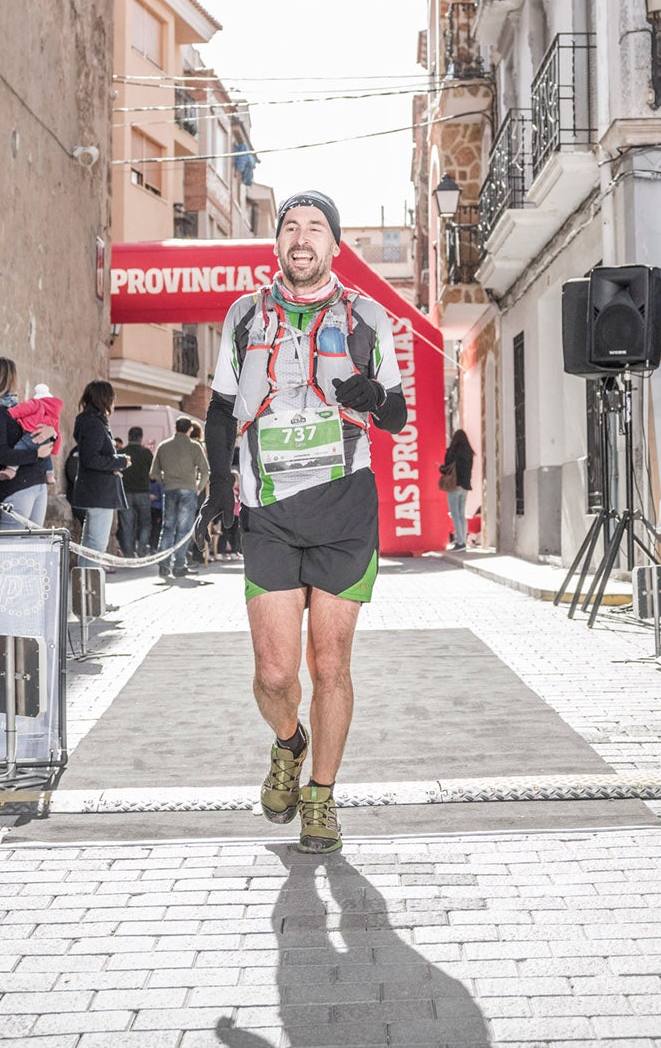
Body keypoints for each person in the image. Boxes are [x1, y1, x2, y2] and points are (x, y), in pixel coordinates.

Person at [206, 191, 407, 853]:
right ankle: (289, 741)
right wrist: (216, 488)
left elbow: (397, 413)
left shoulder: (367, 314)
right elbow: (221, 407)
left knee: (331, 661)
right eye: (290, 226)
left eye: (315, 227)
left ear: (334, 246)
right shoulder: (243, 315)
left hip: (344, 507)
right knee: (273, 673)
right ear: (277, 245)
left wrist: (371, 396)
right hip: (267, 512)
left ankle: (320, 796)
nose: (301, 236)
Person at [0, 357, 55, 529]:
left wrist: (51, 433)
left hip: (35, 482)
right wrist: (36, 454)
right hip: (16, 486)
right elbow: (0, 453)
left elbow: (35, 433)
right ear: (9, 378)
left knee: (33, 547)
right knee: (11, 547)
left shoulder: (15, 408)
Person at [71, 380, 128, 552]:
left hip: (94, 490)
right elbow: (92, 459)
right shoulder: (94, 423)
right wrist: (120, 462)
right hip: (99, 492)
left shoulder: (90, 421)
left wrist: (116, 461)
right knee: (96, 546)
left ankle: (85, 579)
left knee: (90, 544)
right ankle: (89, 579)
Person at [151, 417, 209, 581]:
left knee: (167, 528)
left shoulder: (164, 446)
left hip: (169, 489)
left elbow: (154, 472)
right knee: (183, 530)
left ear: (175, 428)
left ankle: (163, 566)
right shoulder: (194, 446)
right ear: (190, 430)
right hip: (188, 489)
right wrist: (198, 487)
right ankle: (179, 566)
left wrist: (164, 482)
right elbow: (205, 471)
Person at [118, 426, 155, 557]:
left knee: (127, 525)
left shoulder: (122, 452)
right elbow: (153, 473)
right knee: (145, 523)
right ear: (141, 438)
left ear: (128, 437)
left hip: (125, 493)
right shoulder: (146, 453)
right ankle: (142, 549)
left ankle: (128, 554)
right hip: (143, 492)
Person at [440, 429, 475, 551]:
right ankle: (463, 540)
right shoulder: (469, 453)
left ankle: (460, 542)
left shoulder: (452, 451)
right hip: (465, 486)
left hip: (454, 485)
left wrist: (440, 468)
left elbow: (446, 468)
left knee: (455, 514)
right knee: (461, 514)